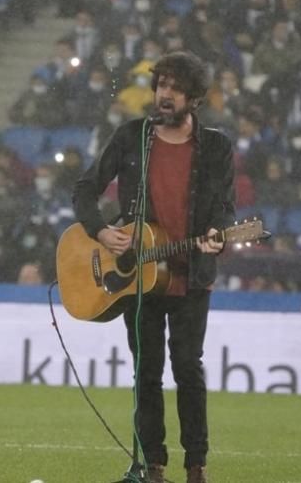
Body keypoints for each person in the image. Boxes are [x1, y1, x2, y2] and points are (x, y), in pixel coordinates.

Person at [73, 51, 235, 483]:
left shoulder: (217, 146)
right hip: (138, 278)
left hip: (191, 276)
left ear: (195, 98)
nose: (164, 94)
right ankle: (153, 466)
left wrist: (217, 234)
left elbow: (224, 207)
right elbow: (85, 190)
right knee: (147, 373)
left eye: (175, 89)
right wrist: (102, 232)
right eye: (161, 85)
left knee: (188, 369)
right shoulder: (131, 136)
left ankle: (196, 465)